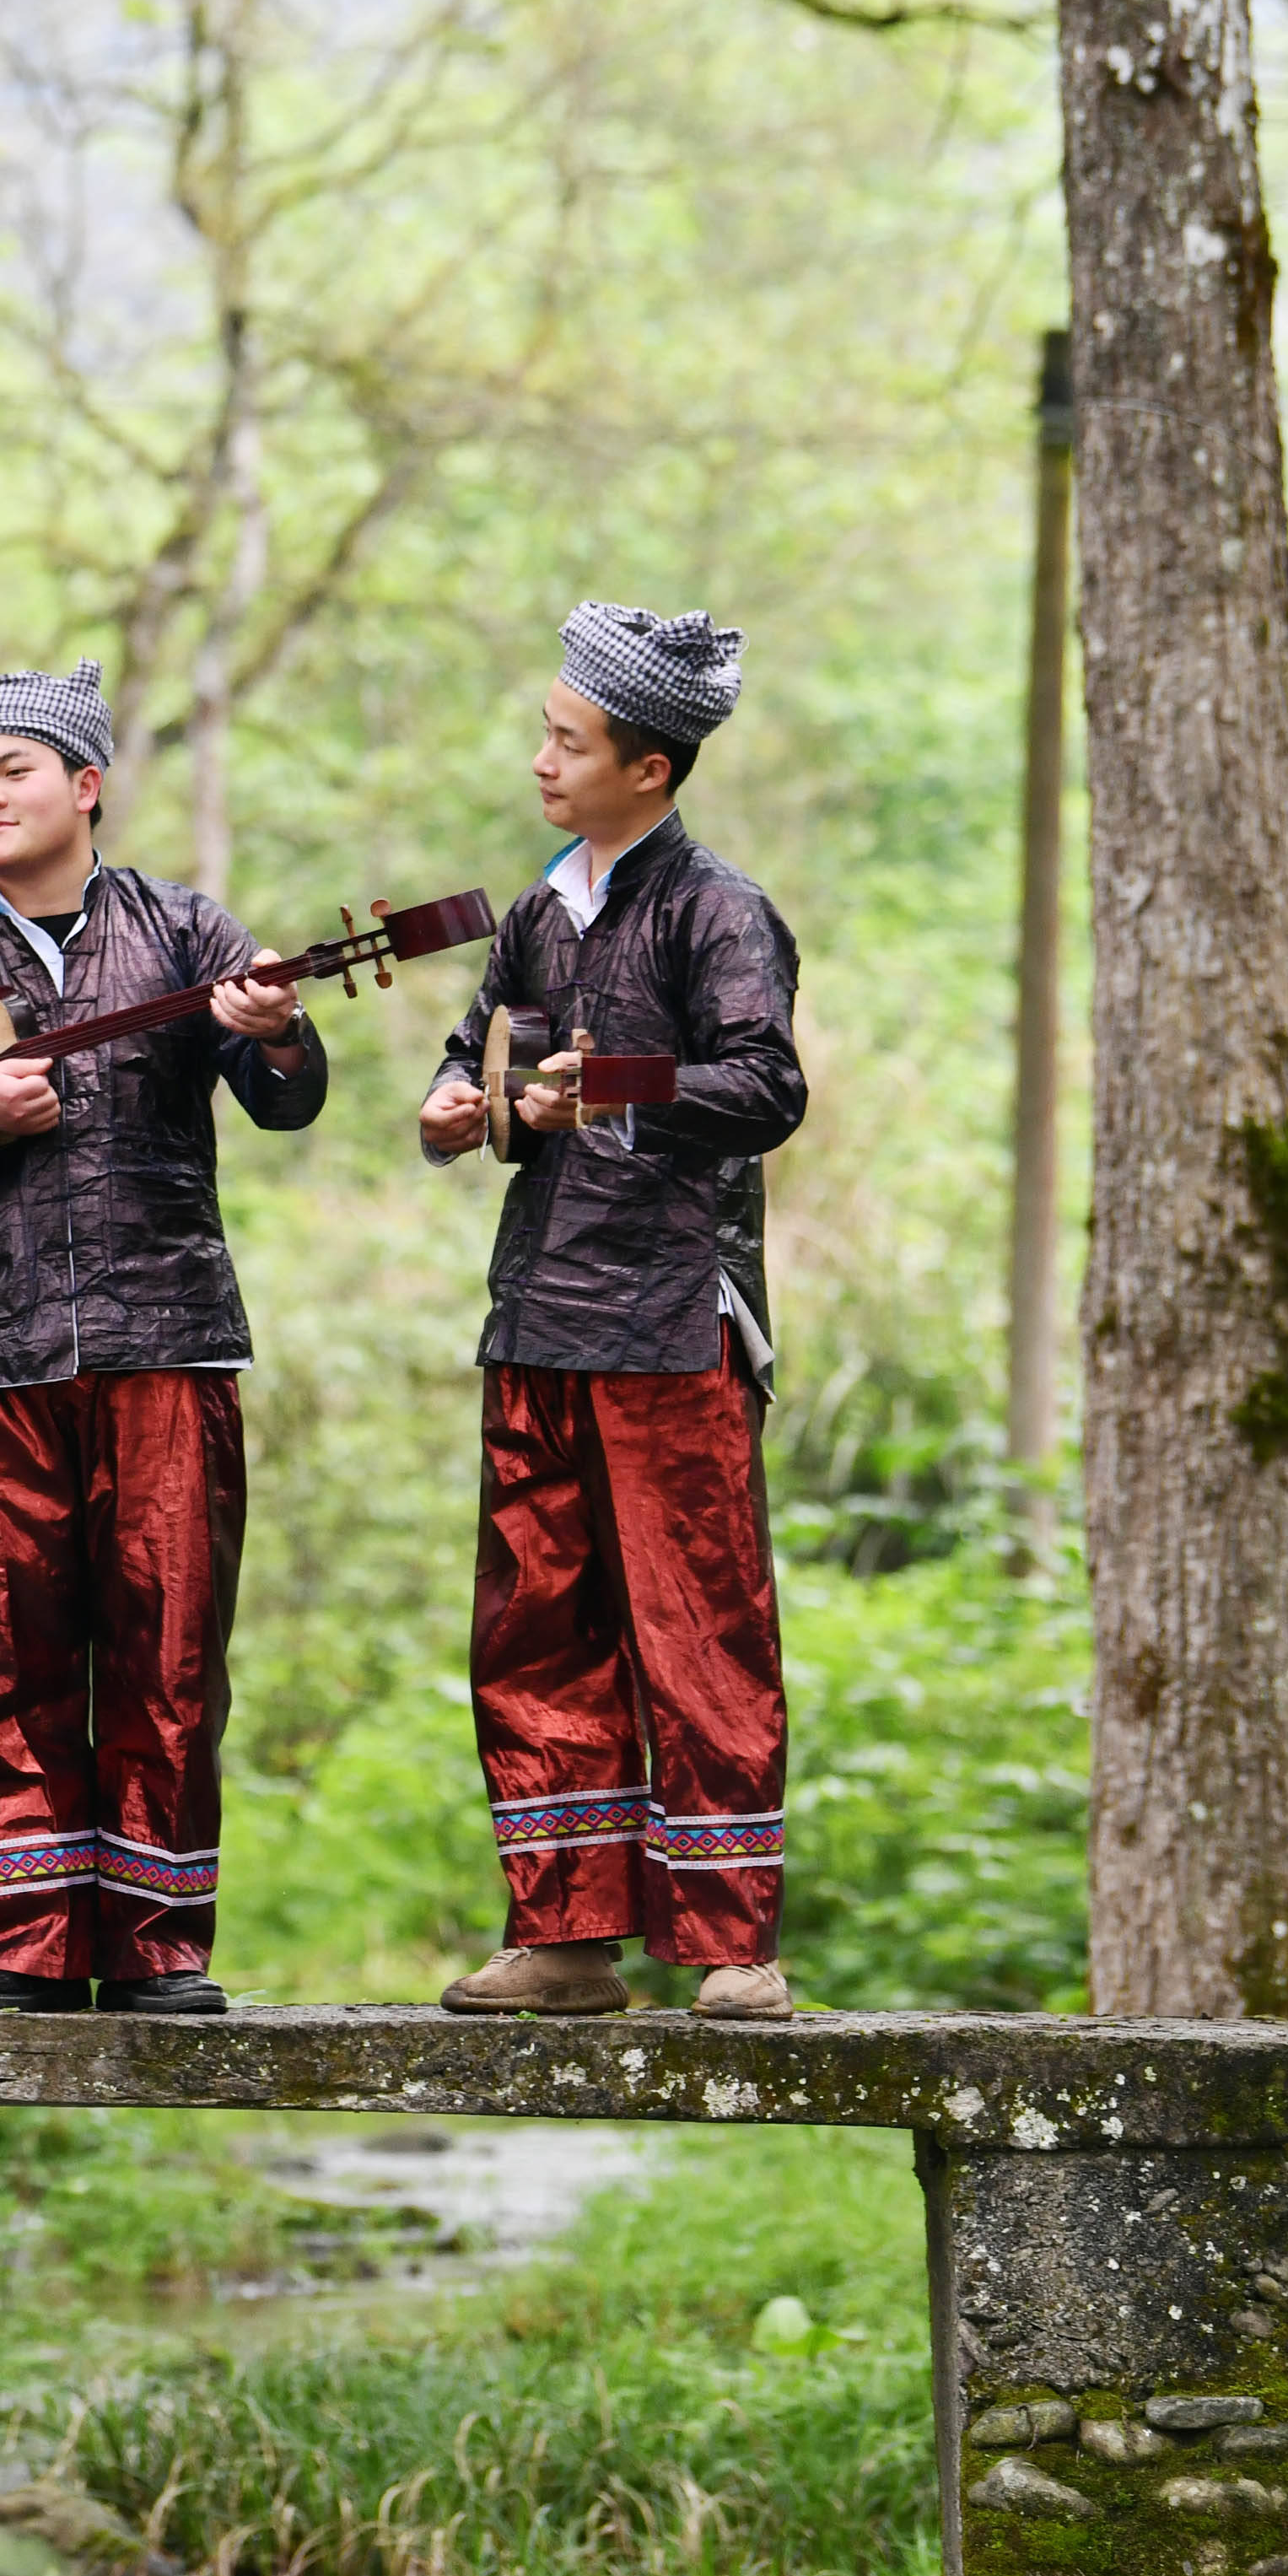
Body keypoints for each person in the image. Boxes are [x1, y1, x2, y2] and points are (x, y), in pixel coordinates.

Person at [0, 660, 321, 2018]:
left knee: (166, 1642)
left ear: (86, 785)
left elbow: (289, 1101)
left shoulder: (187, 932)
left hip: (167, 1338)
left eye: (14, 770)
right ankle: (28, 1935)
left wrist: (275, 1035)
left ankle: (158, 1943)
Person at [418, 604, 807, 2023]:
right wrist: (457, 1111)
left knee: (696, 1624)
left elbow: (768, 1090)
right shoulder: (536, 910)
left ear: (649, 767)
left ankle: (732, 1947)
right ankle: (565, 1938)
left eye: (568, 742)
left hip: (670, 1322)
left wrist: (625, 1083)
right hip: (535, 1314)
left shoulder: (722, 912)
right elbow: (488, 1058)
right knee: (536, 1627)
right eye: (545, 733)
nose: (541, 761)